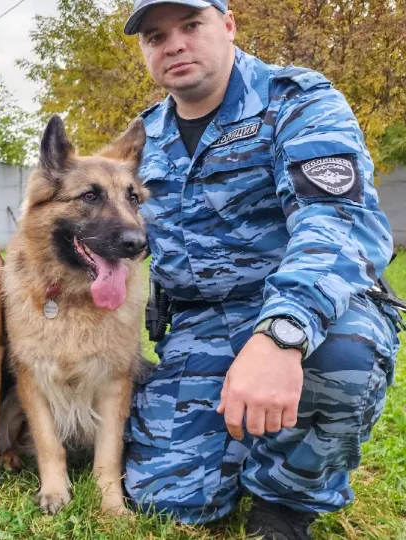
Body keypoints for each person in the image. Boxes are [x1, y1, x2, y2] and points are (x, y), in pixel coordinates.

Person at [121, 1, 404, 538]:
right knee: (169, 500)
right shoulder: (145, 138)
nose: (174, 44)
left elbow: (337, 223)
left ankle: (287, 499)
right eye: (156, 36)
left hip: (307, 311)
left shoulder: (297, 101)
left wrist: (281, 335)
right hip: (199, 326)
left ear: (228, 26)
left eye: (190, 26)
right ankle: (238, 442)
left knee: (344, 358)